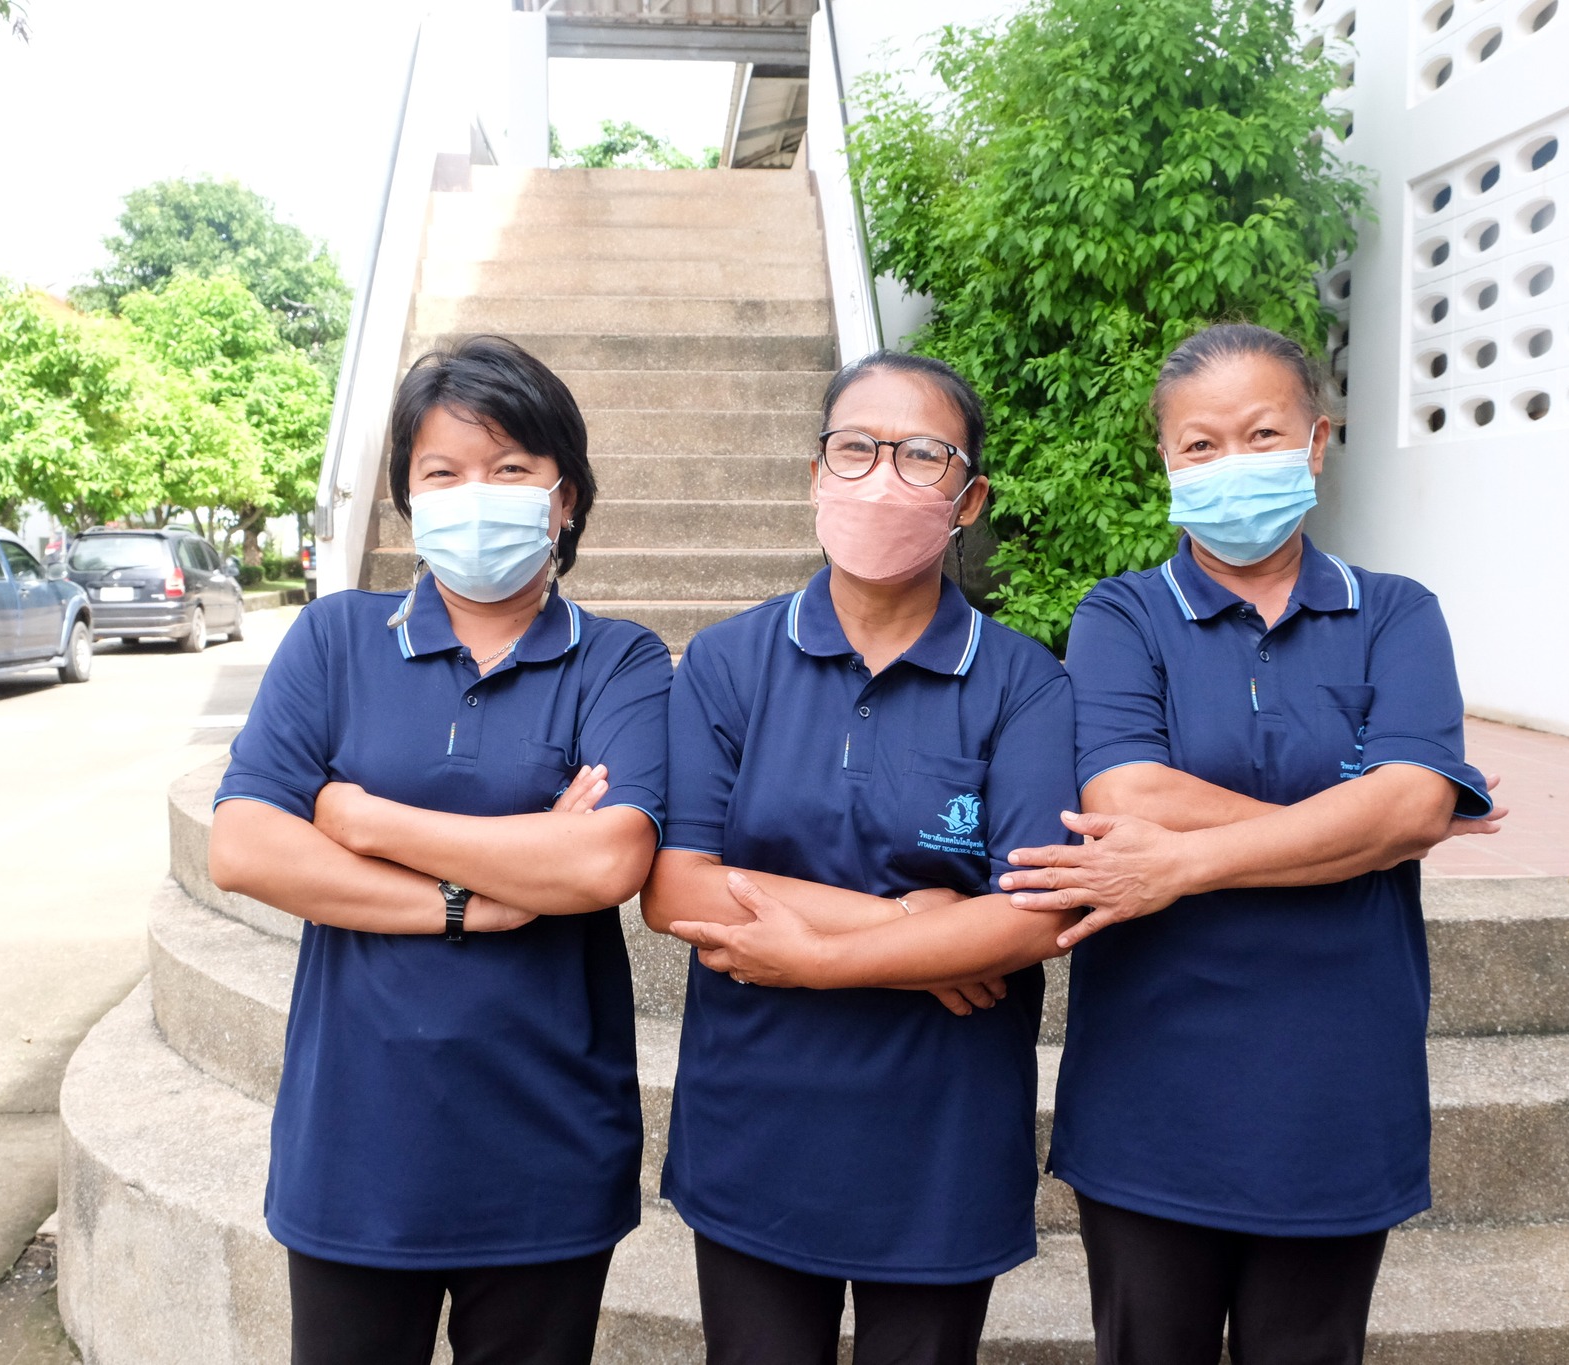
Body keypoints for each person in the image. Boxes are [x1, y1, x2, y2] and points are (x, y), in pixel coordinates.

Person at [999, 323, 1506, 1365]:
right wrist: (1359, 824)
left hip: (1333, 1082)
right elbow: (1123, 787)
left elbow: (1410, 805)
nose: (1231, 463)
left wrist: (1181, 860)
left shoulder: (1395, 614)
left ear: (1314, 443)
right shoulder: (1119, 616)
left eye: (1260, 433)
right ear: (1166, 465)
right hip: (1154, 1081)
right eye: (1199, 445)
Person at [206, 336, 672, 1365]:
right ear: (407, 503)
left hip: (547, 1142)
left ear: (566, 499)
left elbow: (602, 866)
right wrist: (477, 896)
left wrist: (365, 822)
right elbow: (243, 846)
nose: (479, 494)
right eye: (443, 472)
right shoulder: (334, 642)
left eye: (510, 470)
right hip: (358, 1143)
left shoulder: (620, 659)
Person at [643, 352, 1080, 1365]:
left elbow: (1037, 913)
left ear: (967, 499)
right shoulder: (725, 664)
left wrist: (818, 954)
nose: (880, 476)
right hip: (758, 1118)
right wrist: (914, 927)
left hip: (940, 1132)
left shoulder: (1021, 683)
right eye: (853, 449)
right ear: (813, 475)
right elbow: (677, 887)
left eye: (919, 455)